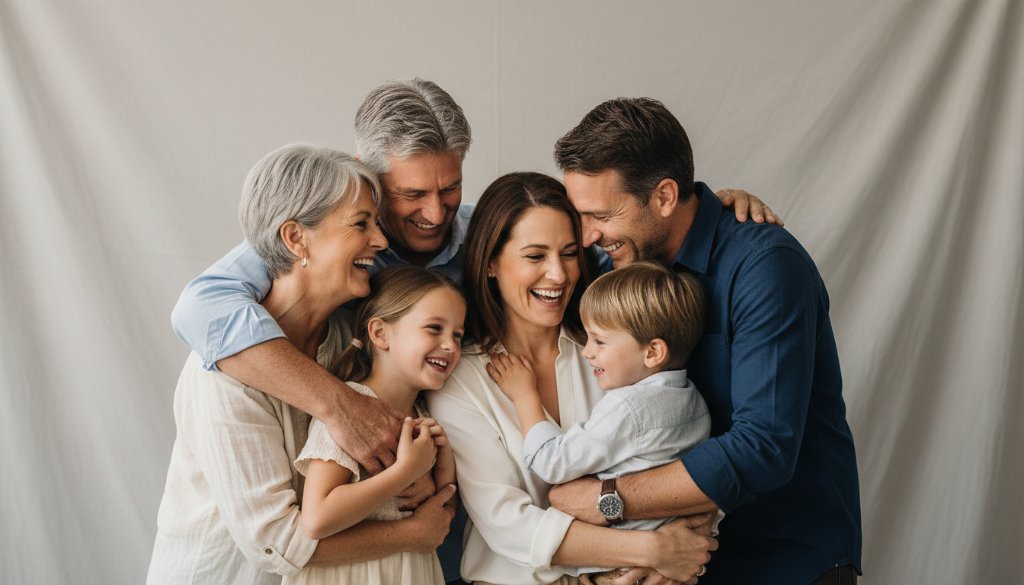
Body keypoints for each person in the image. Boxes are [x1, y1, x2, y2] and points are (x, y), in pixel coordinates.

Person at [168, 79, 778, 583]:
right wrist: (339, 408)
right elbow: (199, 308)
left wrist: (702, 210)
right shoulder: (291, 289)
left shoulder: (488, 255)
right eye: (410, 195)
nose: (434, 213)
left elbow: (606, 243)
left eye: (449, 188)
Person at [550, 98, 862, 585]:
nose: (589, 235)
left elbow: (763, 448)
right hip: (683, 566)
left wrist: (607, 498)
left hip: (786, 562)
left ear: (665, 196)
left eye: (602, 215)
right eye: (582, 216)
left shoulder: (766, 267)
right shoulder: (623, 261)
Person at [147, 145, 456, 585]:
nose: (382, 241)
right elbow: (276, 544)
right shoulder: (219, 379)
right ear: (295, 239)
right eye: (361, 224)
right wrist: (411, 534)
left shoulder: (343, 343)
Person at [427, 172, 718, 585]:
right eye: (534, 256)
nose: (559, 275)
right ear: (490, 262)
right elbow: (506, 522)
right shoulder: (461, 379)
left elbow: (669, 458)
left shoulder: (611, 353)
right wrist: (654, 550)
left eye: (568, 253)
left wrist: (685, 542)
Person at [487, 261, 713, 585]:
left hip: (617, 570)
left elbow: (551, 463)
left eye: (600, 341)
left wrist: (524, 396)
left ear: (652, 353)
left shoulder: (627, 406)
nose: (587, 352)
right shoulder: (695, 402)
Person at [287, 266, 465, 585]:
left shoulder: (423, 413)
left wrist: (443, 466)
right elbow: (317, 518)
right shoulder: (352, 408)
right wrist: (406, 472)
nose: (450, 345)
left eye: (457, 335)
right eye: (434, 328)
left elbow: (439, 518)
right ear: (381, 333)